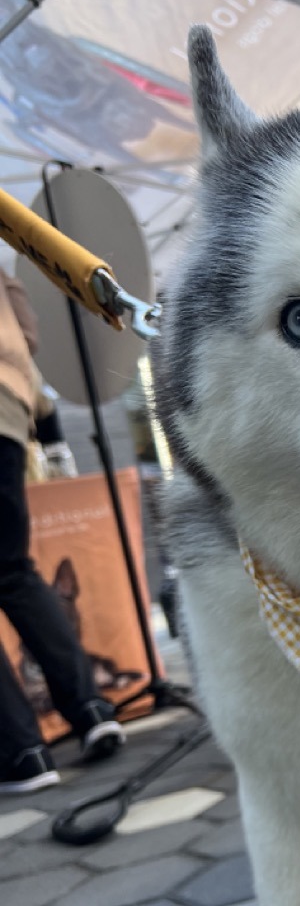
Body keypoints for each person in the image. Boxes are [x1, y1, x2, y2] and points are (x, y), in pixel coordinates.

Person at [0, 268, 123, 793]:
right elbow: (26, 336)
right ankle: (91, 708)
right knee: (12, 569)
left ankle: (22, 753)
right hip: (5, 414)